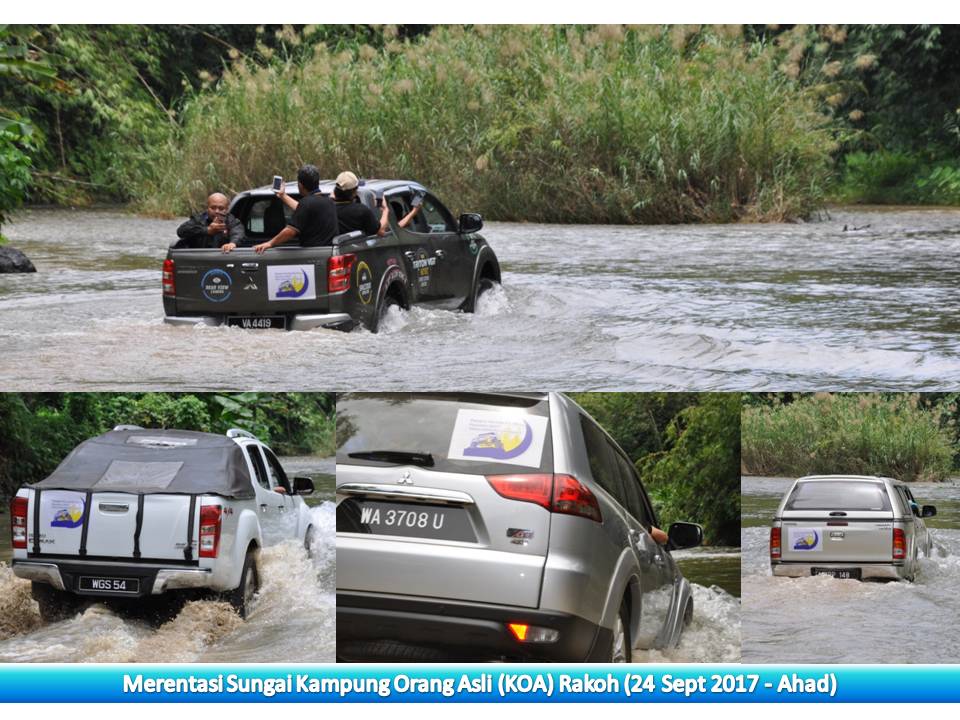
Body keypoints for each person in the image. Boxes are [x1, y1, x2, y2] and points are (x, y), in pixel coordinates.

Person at [226, 165, 337, 254]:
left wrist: (269, 243)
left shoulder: (307, 203)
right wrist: (283, 195)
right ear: (317, 182)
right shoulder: (328, 201)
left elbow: (290, 231)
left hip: (312, 254)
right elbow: (303, 208)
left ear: (300, 185)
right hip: (326, 253)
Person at [276, 170, 390, 237]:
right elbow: (380, 231)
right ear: (354, 192)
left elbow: (301, 208)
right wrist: (385, 211)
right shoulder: (361, 211)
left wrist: (283, 196)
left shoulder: (325, 206)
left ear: (336, 189)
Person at [175, 193, 244, 251]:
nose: (217, 211)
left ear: (226, 209)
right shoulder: (198, 219)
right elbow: (181, 231)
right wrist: (207, 230)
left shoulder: (232, 221)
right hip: (200, 258)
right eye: (213, 208)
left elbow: (237, 232)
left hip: (223, 257)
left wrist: (232, 243)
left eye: (221, 208)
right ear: (207, 208)